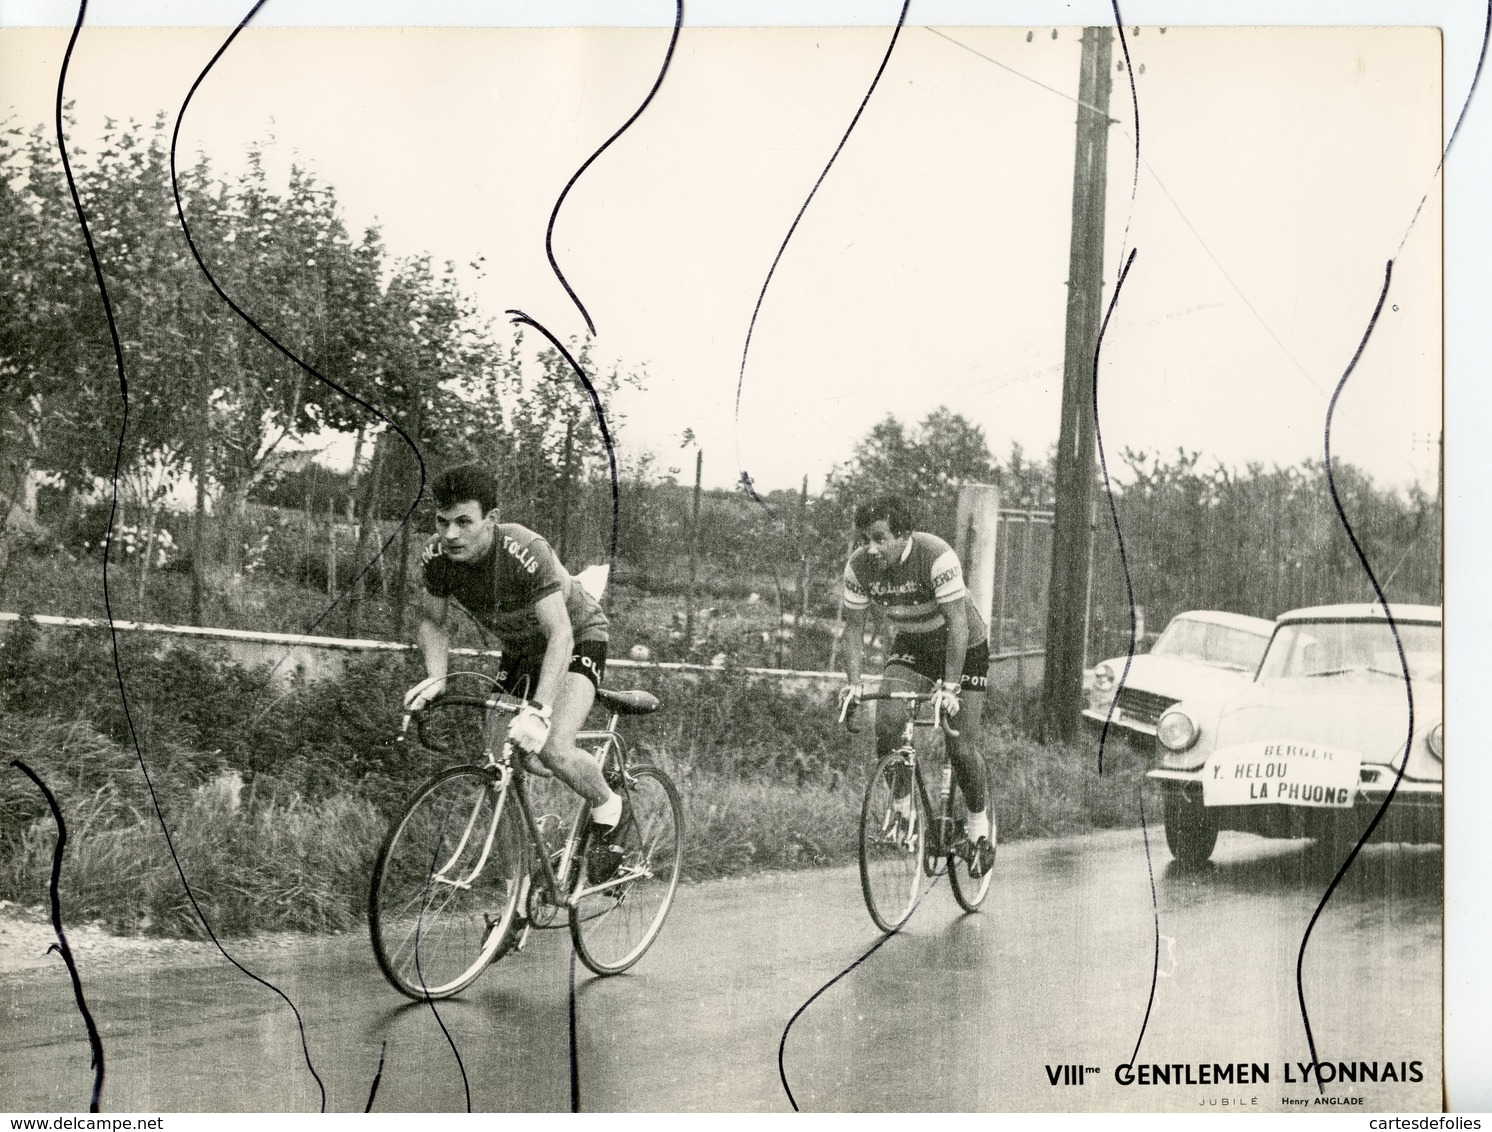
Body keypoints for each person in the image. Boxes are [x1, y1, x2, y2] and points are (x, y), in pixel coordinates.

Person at [404, 464, 628, 881]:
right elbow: (433, 622)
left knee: (554, 747)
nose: (450, 534)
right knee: (500, 764)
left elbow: (559, 633)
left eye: (464, 522)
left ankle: (608, 805)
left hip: (576, 637)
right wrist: (437, 678)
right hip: (522, 649)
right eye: (442, 521)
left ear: (491, 519)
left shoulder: (525, 550)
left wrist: (540, 709)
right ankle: (518, 893)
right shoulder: (437, 557)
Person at [839, 494, 995, 875]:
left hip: (963, 645)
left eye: (880, 538)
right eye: (865, 539)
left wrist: (951, 688)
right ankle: (902, 807)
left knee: (959, 746)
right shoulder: (859, 568)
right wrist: (855, 685)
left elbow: (958, 624)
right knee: (888, 719)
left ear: (904, 535)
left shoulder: (936, 556)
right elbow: (853, 629)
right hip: (913, 644)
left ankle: (978, 826)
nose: (871, 548)